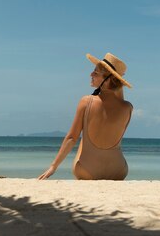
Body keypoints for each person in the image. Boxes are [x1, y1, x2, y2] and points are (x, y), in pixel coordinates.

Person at [38, 52, 133, 180]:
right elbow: (119, 99)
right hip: (118, 170)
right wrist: (117, 81)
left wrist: (53, 167)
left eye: (96, 72)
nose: (91, 74)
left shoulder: (87, 102)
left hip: (87, 170)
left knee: (84, 137)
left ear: (108, 79)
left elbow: (72, 137)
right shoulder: (127, 108)